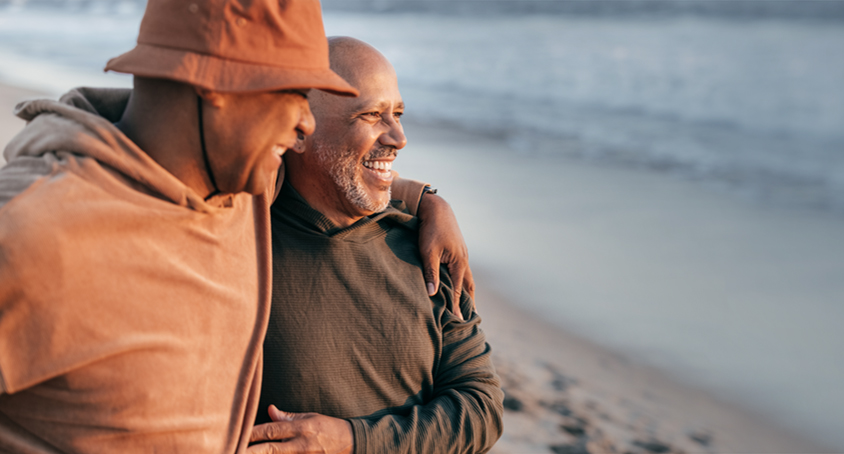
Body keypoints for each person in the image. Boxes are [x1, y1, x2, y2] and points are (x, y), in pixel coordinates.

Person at [0, 1, 470, 452]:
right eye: (292, 93)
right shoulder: (33, 233)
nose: (306, 123)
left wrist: (425, 199)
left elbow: (337, 169)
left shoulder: (243, 186)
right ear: (215, 90)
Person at [246, 38, 502, 454]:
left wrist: (352, 440)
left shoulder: (425, 250)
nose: (399, 137)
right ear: (297, 130)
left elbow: (481, 408)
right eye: (371, 115)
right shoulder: (240, 241)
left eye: (397, 113)